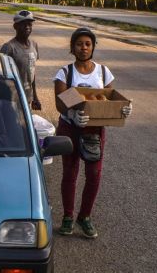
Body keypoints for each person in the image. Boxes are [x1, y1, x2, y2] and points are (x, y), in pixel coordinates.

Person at [53, 27, 132, 239]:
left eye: (88, 44)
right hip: (70, 128)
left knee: (94, 175)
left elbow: (109, 99)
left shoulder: (104, 73)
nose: (84, 47)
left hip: (94, 131)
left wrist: (122, 109)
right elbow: (60, 103)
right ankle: (68, 217)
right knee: (70, 173)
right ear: (72, 48)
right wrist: (72, 112)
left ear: (93, 46)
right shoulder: (66, 73)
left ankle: (85, 216)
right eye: (79, 44)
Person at [0, 10, 42, 110]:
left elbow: (31, 71)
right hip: (12, 98)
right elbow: (1, 75)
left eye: (29, 24)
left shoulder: (34, 45)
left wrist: (35, 97)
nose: (27, 27)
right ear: (15, 27)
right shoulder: (9, 47)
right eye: (23, 24)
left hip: (27, 97)